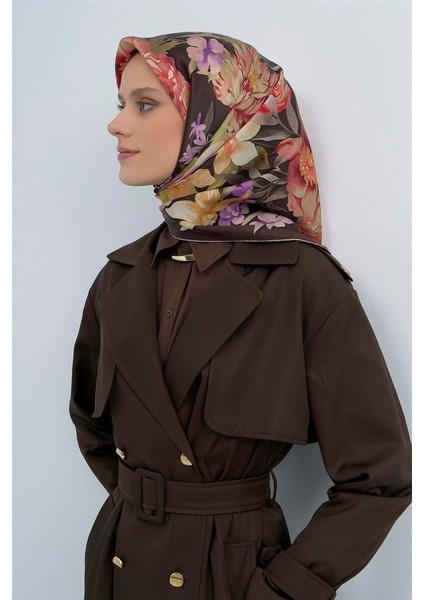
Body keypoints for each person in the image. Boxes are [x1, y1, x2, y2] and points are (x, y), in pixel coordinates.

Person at [69, 31, 412, 600]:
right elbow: (93, 428)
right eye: (121, 104)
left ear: (218, 121)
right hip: (119, 566)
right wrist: (155, 504)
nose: (116, 124)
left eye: (145, 104)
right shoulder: (119, 276)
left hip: (231, 577)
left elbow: (379, 477)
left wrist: (284, 589)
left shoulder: (301, 281)